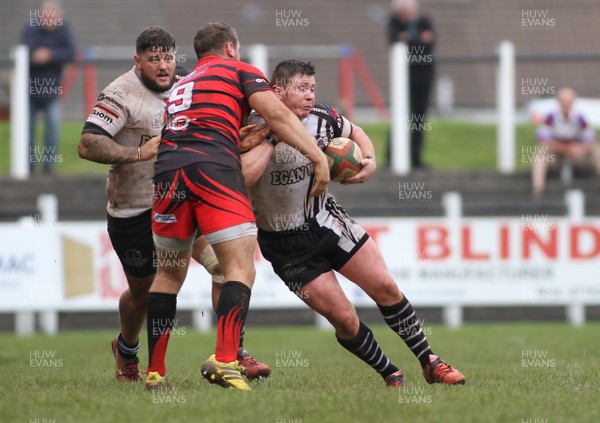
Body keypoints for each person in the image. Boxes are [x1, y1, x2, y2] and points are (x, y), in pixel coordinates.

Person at [242, 59, 465, 387]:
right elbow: (243, 175)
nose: (309, 96)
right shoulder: (249, 127)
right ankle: (391, 374)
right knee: (345, 319)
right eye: (301, 88)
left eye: (312, 89)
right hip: (284, 244)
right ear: (276, 91)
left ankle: (430, 361)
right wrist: (274, 136)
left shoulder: (322, 117)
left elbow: (355, 132)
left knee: (386, 287)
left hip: (328, 220)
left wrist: (370, 160)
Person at [78, 26, 270, 384]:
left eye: (168, 58)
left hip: (180, 195)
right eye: (154, 60)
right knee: (143, 292)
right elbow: (87, 144)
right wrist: (136, 152)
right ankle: (128, 349)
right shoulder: (121, 93)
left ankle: (233, 353)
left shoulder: (187, 85)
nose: (163, 67)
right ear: (138, 61)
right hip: (133, 211)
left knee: (223, 268)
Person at [146, 22, 329, 391]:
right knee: (239, 268)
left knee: (167, 276)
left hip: (167, 174)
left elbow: (202, 126)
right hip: (212, 172)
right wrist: (317, 158)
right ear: (231, 48)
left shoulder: (181, 85)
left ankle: (155, 373)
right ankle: (225, 360)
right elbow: (277, 115)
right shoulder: (241, 70)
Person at [22, 0, 76, 175]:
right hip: (28, 88)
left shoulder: (64, 29)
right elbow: (24, 52)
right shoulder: (30, 28)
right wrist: (39, 55)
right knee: (28, 127)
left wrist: (50, 54)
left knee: (52, 125)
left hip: (51, 89)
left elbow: (71, 52)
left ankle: (48, 165)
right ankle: (29, 166)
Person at [388, 0, 435, 169]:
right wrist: (418, 39)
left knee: (419, 119)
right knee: (398, 117)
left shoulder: (425, 20)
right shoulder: (394, 22)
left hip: (423, 80)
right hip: (401, 80)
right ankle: (391, 159)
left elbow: (429, 45)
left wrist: (408, 38)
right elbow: (395, 42)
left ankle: (416, 159)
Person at [531, 87, 600, 199]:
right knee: (540, 153)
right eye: (564, 101)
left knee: (597, 151)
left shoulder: (580, 118)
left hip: (577, 156)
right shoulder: (550, 117)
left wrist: (580, 149)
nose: (566, 104)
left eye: (569, 101)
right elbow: (543, 140)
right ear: (558, 101)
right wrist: (566, 148)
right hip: (556, 156)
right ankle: (538, 189)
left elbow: (591, 140)